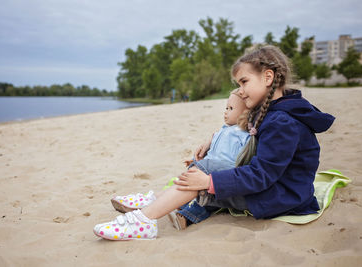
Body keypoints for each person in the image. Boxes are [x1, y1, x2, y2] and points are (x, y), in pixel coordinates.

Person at [94, 45, 335, 241]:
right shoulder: (274, 112)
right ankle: (157, 201)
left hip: (282, 198)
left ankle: (145, 220)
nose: (240, 91)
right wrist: (212, 140)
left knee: (207, 170)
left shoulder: (282, 121)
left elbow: (262, 175)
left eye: (243, 82)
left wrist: (210, 181)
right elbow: (245, 138)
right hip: (277, 190)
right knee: (207, 168)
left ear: (268, 77)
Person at [93, 91, 251, 240]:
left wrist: (206, 167)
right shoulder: (223, 130)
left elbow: (237, 161)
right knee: (190, 181)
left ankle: (155, 212)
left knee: (198, 198)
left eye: (231, 108)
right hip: (210, 170)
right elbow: (215, 153)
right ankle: (155, 201)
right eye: (226, 108)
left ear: (246, 113)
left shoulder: (244, 135)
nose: (225, 112)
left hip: (223, 180)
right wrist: (199, 160)